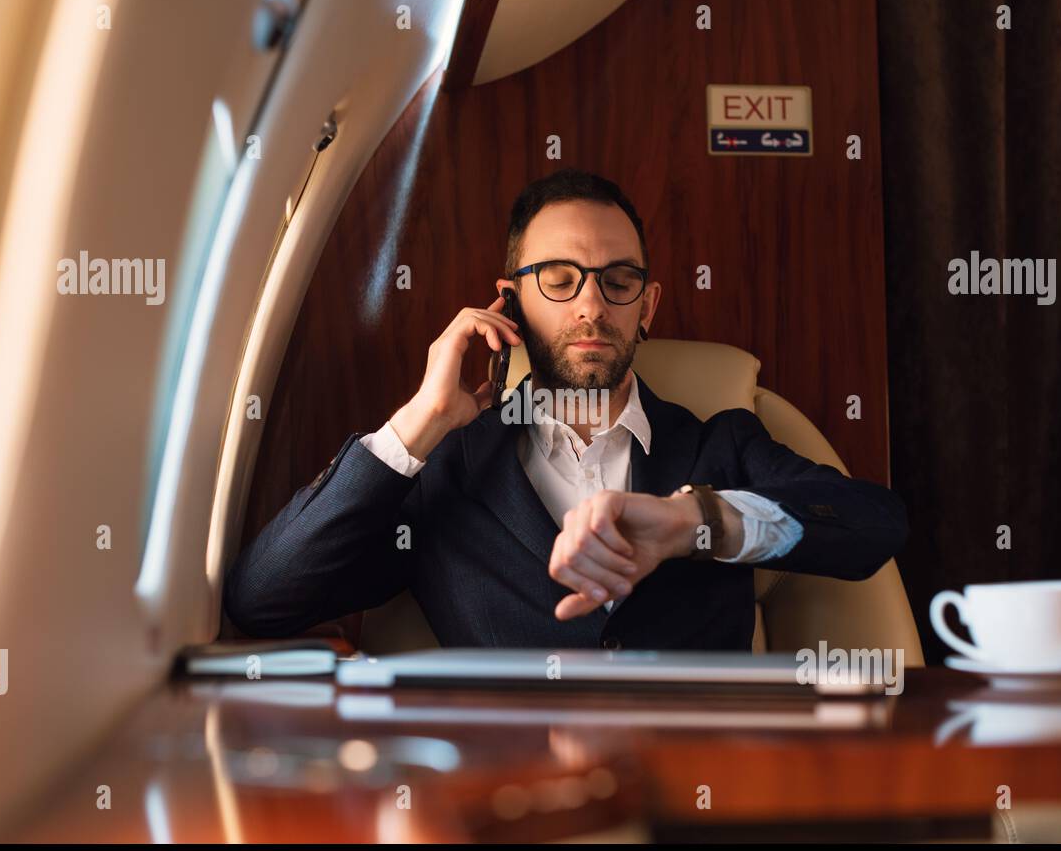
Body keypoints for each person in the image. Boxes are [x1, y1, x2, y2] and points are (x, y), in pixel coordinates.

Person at [224, 168, 907, 650]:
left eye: (619, 281)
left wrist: (691, 520)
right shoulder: (447, 469)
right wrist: (420, 423)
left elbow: (871, 526)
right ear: (511, 300)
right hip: (515, 809)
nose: (590, 305)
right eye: (559, 280)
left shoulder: (719, 443)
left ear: (648, 307)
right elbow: (264, 596)